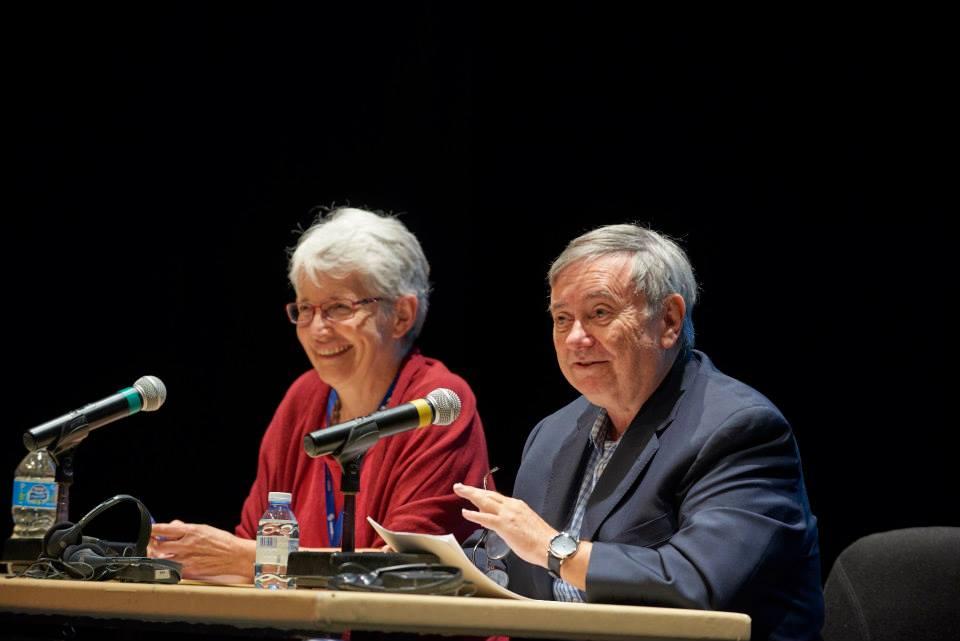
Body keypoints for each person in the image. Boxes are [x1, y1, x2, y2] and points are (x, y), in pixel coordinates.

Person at [454, 223, 823, 641]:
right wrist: (429, 568)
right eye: (561, 318)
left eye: (599, 313)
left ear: (668, 320)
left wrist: (555, 549)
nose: (575, 338)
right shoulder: (552, 434)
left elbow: (695, 584)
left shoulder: (740, 430)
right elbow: (511, 563)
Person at [150, 207, 492, 582]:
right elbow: (252, 546)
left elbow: (404, 571)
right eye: (305, 309)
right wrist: (184, 557)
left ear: (402, 316)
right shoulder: (304, 398)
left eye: (338, 308)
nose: (317, 329)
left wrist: (249, 560)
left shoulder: (436, 404)